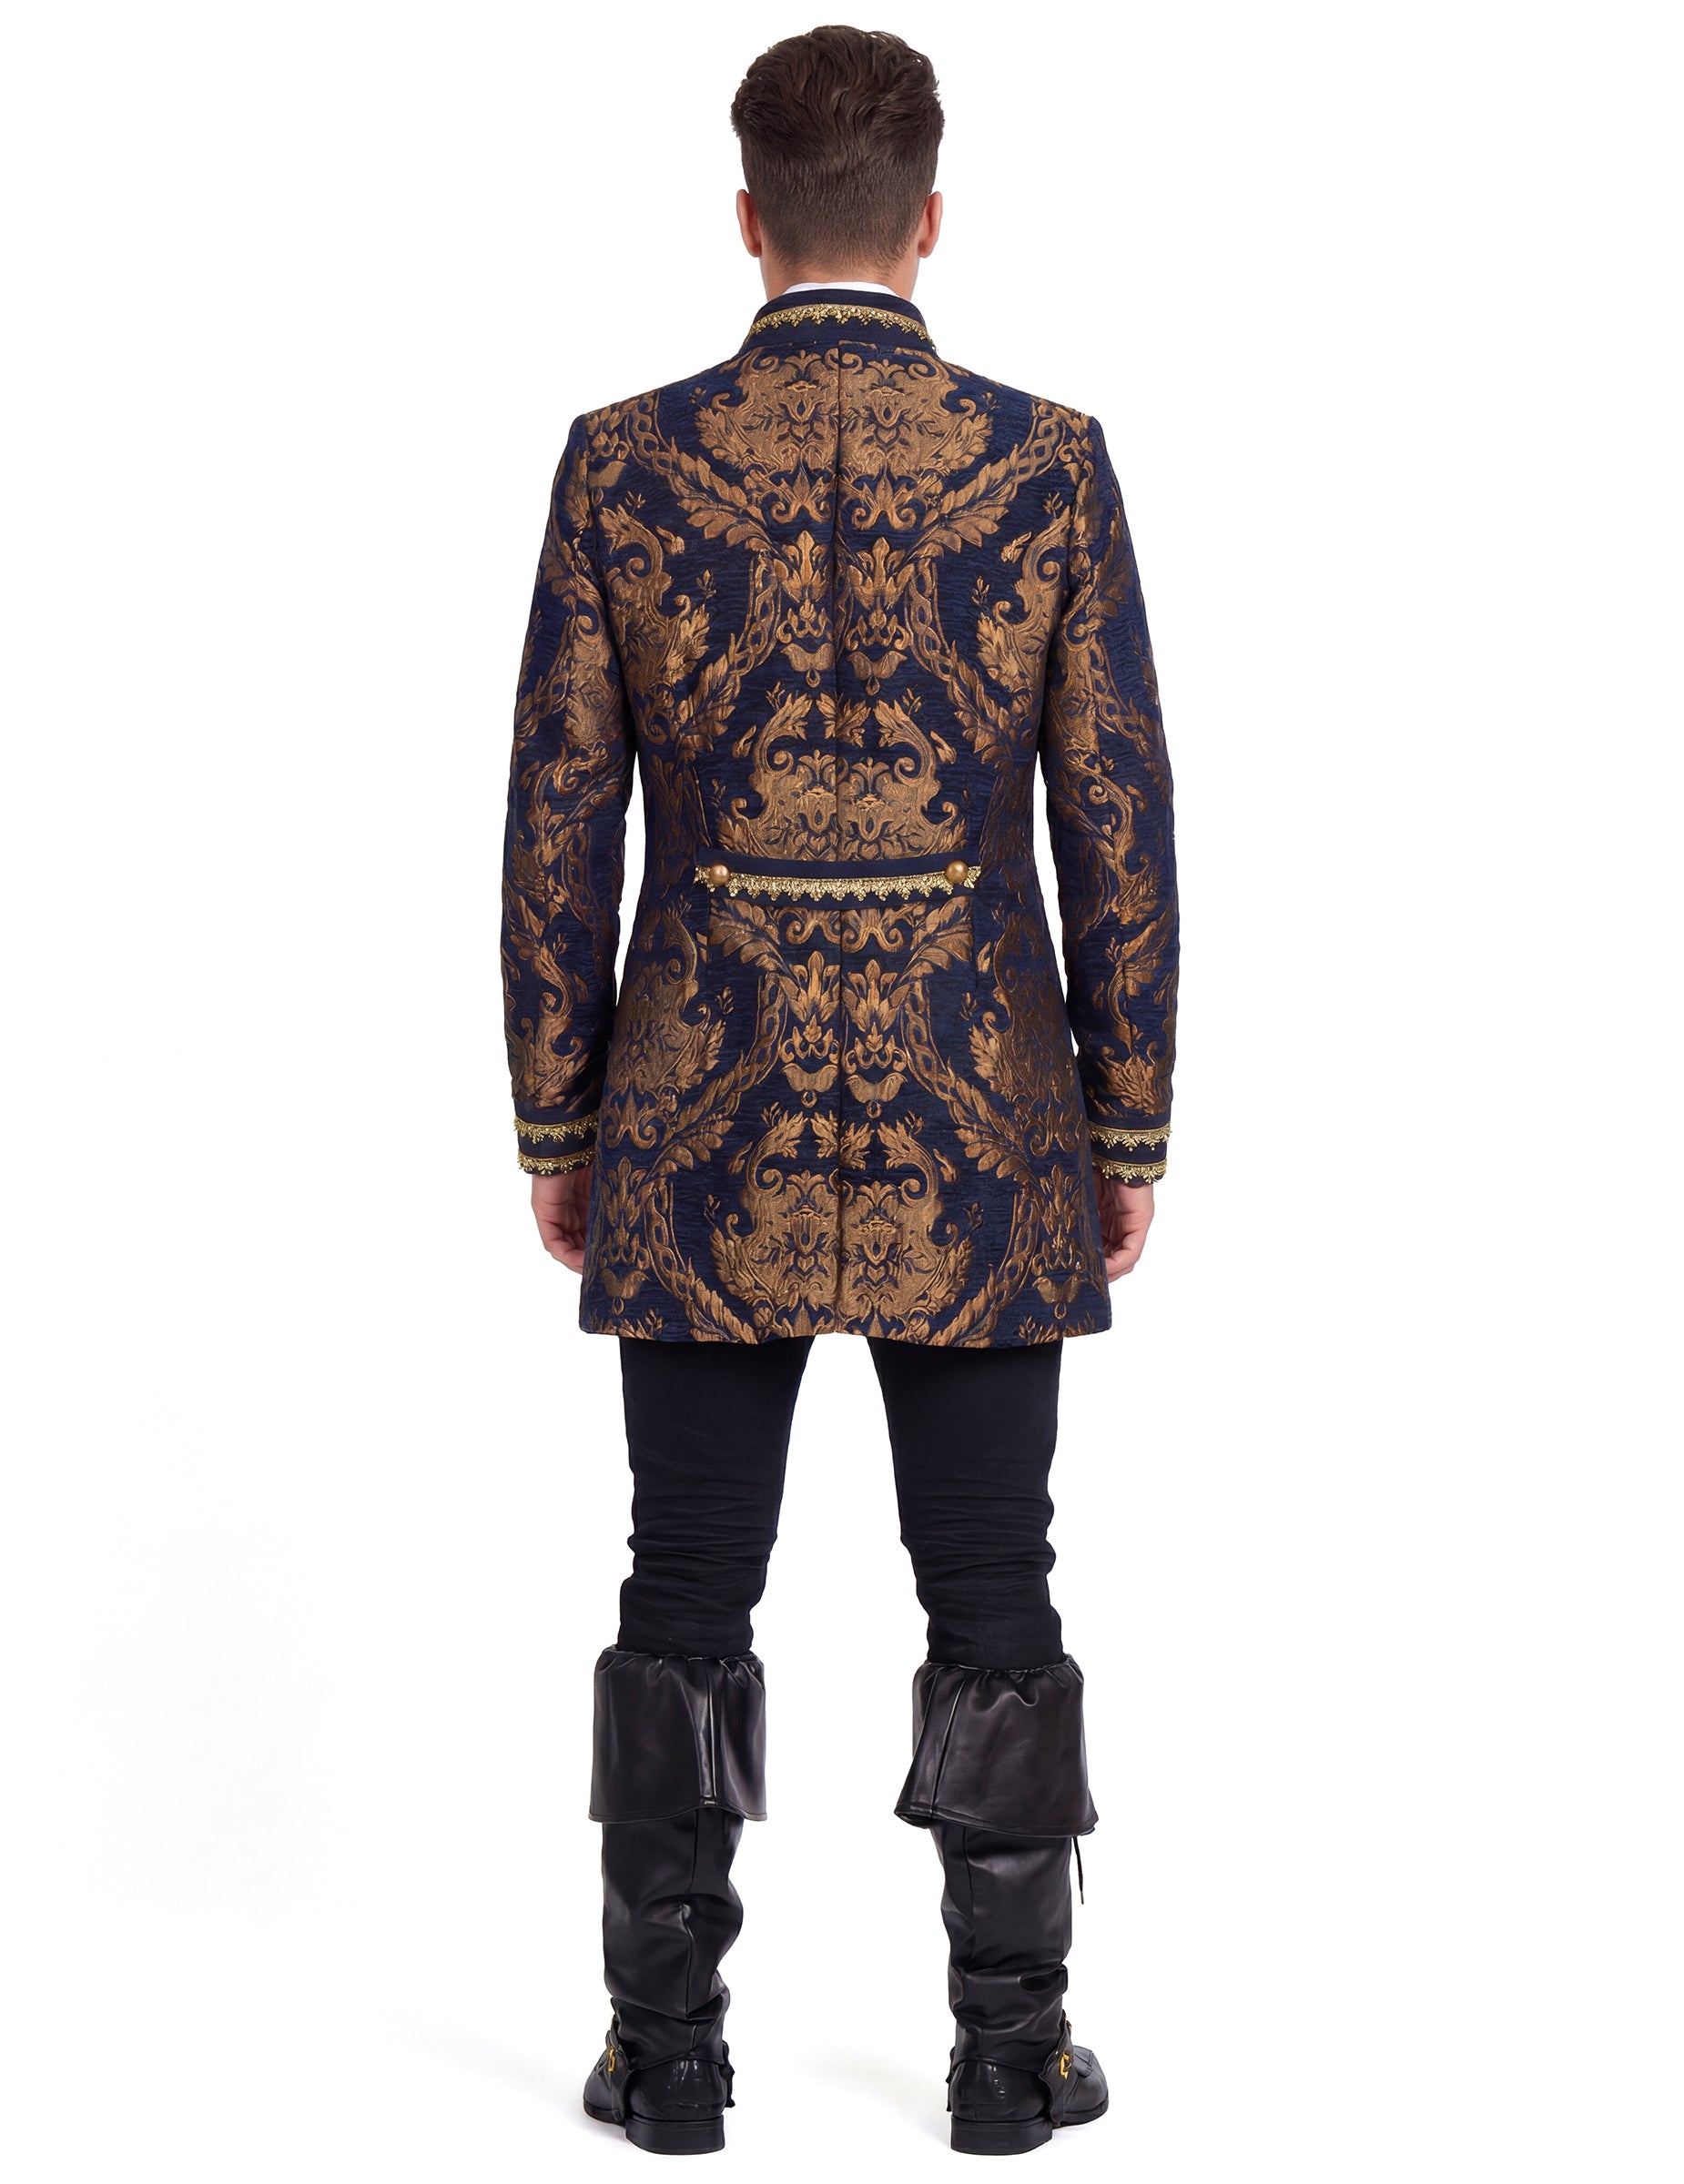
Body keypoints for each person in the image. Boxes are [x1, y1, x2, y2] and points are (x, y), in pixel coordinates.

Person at [501, 24, 1178, 2158]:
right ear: (930, 219)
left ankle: (665, 2054)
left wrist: (559, 1121)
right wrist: (1125, 1123)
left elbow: (556, 824)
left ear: (747, 217)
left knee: (680, 1583)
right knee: (994, 1588)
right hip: (982, 1125)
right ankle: (1008, 2054)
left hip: (696, 1122)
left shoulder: (624, 465)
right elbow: (1116, 817)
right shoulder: (1045, 462)